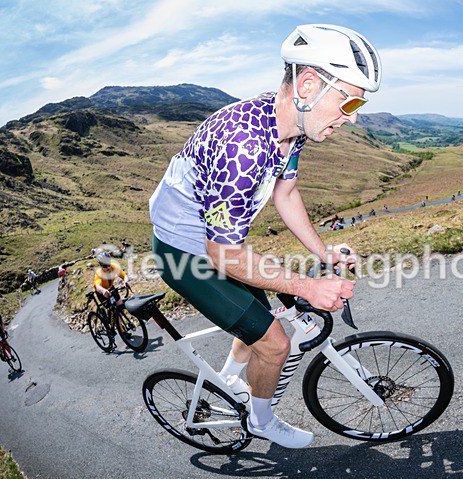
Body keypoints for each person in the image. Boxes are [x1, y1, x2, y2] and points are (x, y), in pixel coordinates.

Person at [148, 23, 380, 449]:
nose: (354, 116)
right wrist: (309, 284)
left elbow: (285, 192)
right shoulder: (244, 147)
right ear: (308, 84)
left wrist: (322, 251)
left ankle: (230, 383)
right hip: (184, 253)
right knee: (275, 343)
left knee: (257, 321)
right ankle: (261, 419)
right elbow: (223, 255)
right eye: (350, 101)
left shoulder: (288, 128)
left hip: (216, 243)